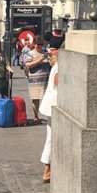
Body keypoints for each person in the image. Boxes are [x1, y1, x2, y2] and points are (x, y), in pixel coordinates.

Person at [39, 50, 59, 183]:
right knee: (51, 138)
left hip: (51, 105)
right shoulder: (58, 68)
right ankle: (47, 169)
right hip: (54, 105)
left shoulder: (56, 66)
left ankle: (49, 168)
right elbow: (58, 86)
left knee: (51, 137)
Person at [23, 36, 51, 124]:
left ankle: (49, 115)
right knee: (35, 98)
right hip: (34, 80)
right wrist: (39, 60)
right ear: (34, 44)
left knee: (47, 98)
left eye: (41, 45)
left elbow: (51, 63)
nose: (40, 46)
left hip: (46, 79)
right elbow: (27, 65)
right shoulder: (30, 53)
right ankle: (36, 116)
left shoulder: (45, 53)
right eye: (38, 45)